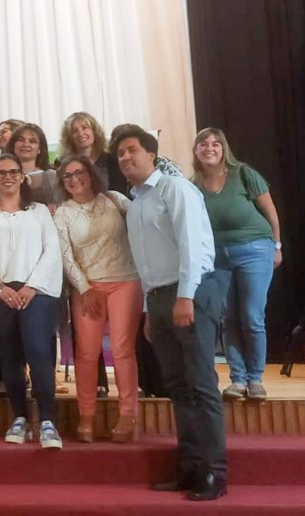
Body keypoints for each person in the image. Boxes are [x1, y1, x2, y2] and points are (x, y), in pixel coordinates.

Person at [113, 128, 230, 501]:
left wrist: (185, 297)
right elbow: (146, 264)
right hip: (159, 298)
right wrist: (150, 311)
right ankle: (190, 466)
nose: (125, 158)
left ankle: (214, 472)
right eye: (120, 153)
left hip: (189, 292)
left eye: (132, 150)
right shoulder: (137, 202)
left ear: (151, 154)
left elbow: (192, 245)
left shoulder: (175, 188)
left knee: (200, 383)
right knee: (178, 387)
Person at [0, 153, 64, 449]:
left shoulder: (39, 212)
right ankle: (19, 417)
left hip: (37, 291)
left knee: (38, 350)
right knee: (9, 355)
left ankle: (47, 421)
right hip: (1, 292)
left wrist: (32, 286)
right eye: (1, 173)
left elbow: (52, 250)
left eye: (13, 172)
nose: (7, 177)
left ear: (23, 177)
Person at [53, 155, 142, 443]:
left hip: (126, 281)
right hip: (87, 287)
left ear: (91, 173)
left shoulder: (115, 200)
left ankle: (128, 414)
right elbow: (65, 256)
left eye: (79, 172)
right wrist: (84, 288)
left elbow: (144, 227)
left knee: (122, 349)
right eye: (67, 176)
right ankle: (86, 416)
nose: (74, 179)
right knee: (87, 353)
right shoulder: (63, 213)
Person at [192, 127, 282, 401]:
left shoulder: (243, 174)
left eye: (215, 144)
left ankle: (255, 379)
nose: (210, 148)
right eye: (203, 144)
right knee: (228, 318)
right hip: (217, 257)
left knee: (252, 316)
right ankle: (238, 380)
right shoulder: (192, 185)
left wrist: (277, 245)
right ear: (196, 150)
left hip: (255, 250)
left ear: (223, 149)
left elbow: (270, 211)